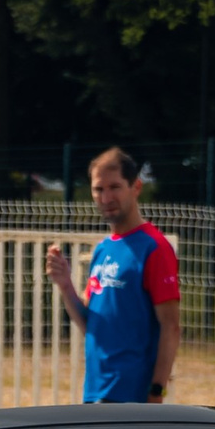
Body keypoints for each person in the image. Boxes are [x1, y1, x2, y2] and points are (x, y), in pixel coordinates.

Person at [48, 147, 180, 403]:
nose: (106, 197)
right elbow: (92, 325)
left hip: (133, 398)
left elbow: (171, 326)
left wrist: (157, 391)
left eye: (115, 187)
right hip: (95, 394)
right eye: (99, 189)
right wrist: (66, 286)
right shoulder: (103, 249)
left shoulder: (154, 247)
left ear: (136, 187)